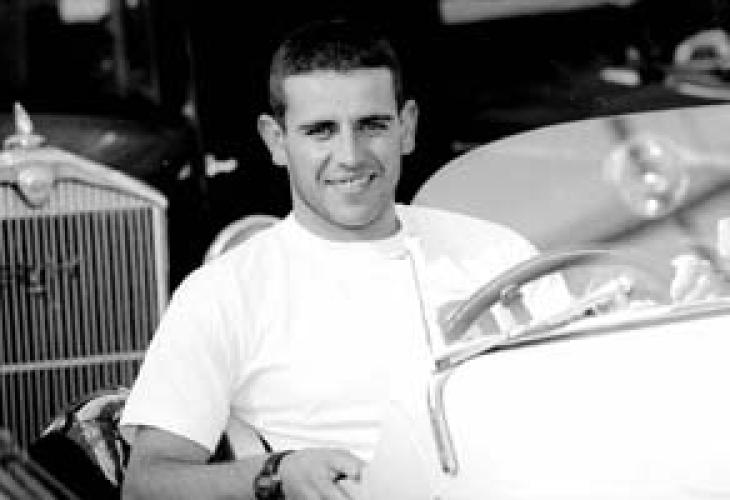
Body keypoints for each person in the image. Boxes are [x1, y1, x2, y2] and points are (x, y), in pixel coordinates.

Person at [120, 18, 574, 500]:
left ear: (407, 127)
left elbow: (580, 404)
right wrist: (277, 473)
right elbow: (147, 484)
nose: (351, 155)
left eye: (372, 125)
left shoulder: (499, 253)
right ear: (276, 141)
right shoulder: (225, 292)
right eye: (321, 131)